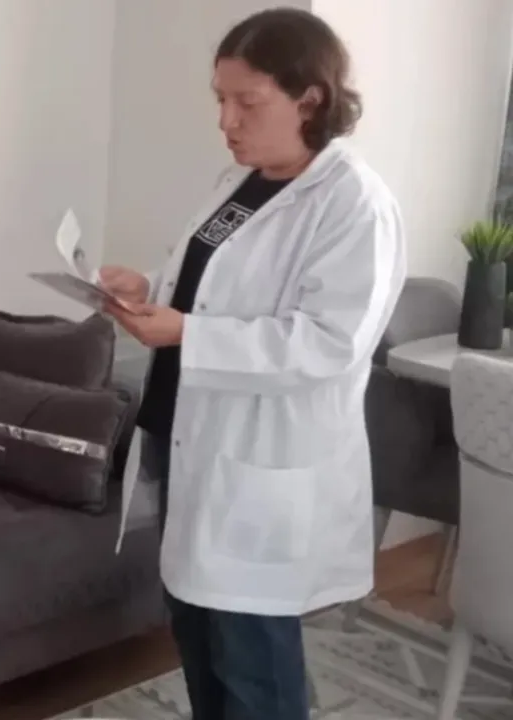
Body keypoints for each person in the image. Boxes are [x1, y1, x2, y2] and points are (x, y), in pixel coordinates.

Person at [99, 9, 407, 720]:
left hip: (259, 471)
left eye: (247, 102)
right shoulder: (239, 182)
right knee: (198, 639)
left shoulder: (354, 204)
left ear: (310, 100)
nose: (226, 121)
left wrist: (188, 332)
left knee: (252, 665)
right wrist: (149, 288)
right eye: (220, 99)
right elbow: (212, 287)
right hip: (189, 442)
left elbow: (328, 344)